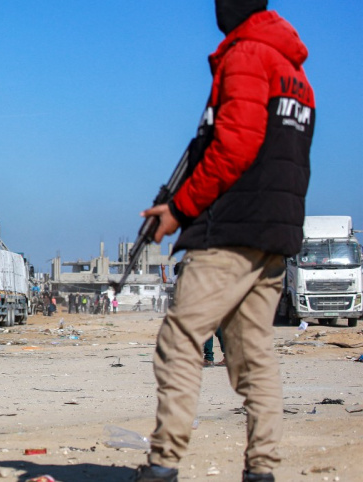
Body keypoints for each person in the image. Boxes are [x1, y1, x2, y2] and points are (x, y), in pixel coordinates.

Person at [136, 2, 314, 482]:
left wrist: (179, 209)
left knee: (180, 339)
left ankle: (162, 465)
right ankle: (262, 470)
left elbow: (235, 146)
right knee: (254, 357)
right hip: (275, 233)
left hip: (232, 229)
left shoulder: (247, 55)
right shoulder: (296, 75)